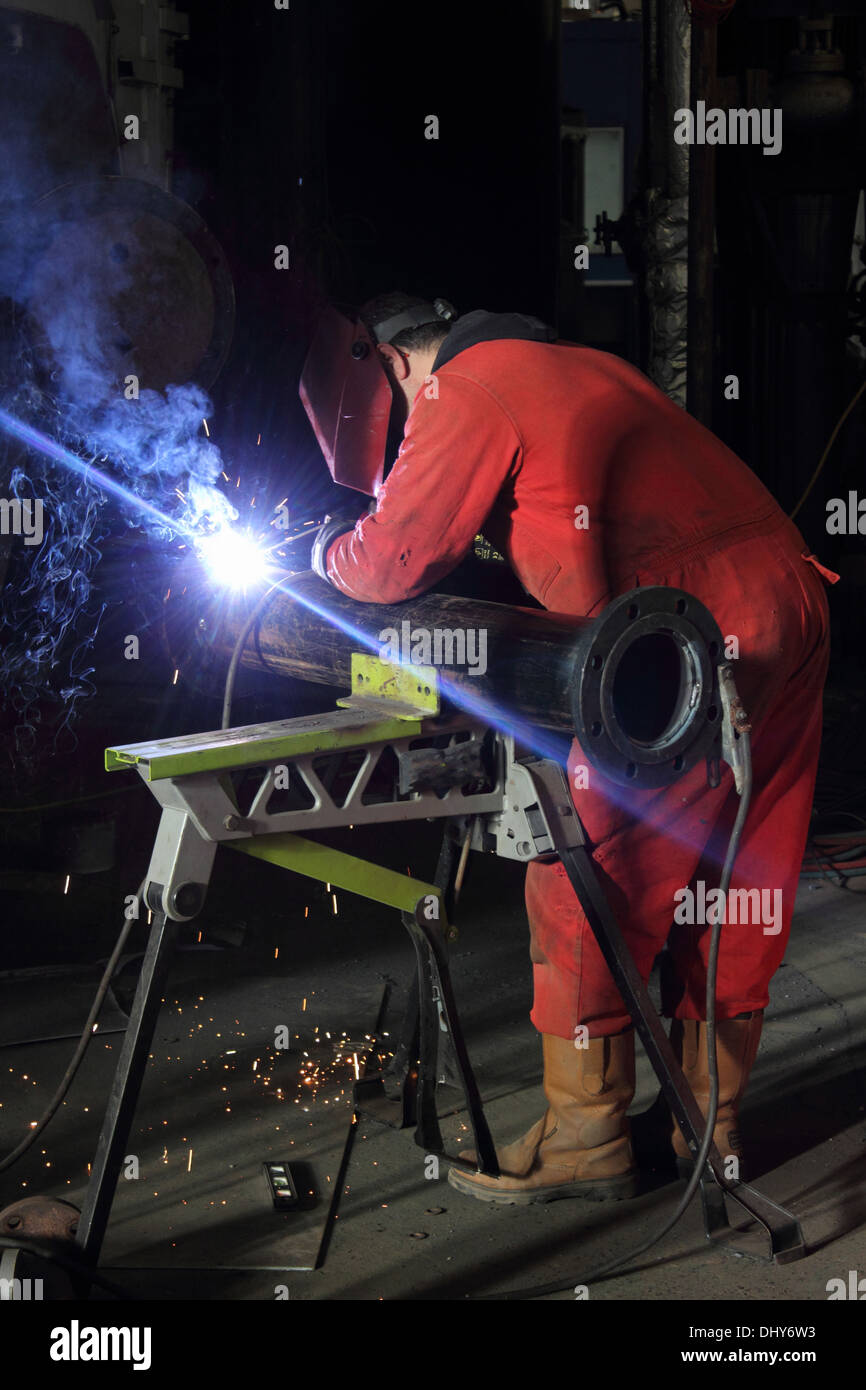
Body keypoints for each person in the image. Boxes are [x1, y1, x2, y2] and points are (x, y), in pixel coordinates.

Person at [301, 292, 834, 1204]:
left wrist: (323, 556)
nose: (402, 452)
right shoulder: (576, 365)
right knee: (740, 874)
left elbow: (392, 558)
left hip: (686, 636)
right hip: (790, 601)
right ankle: (714, 1129)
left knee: (591, 872)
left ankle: (588, 1141)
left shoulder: (465, 388)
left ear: (392, 367)